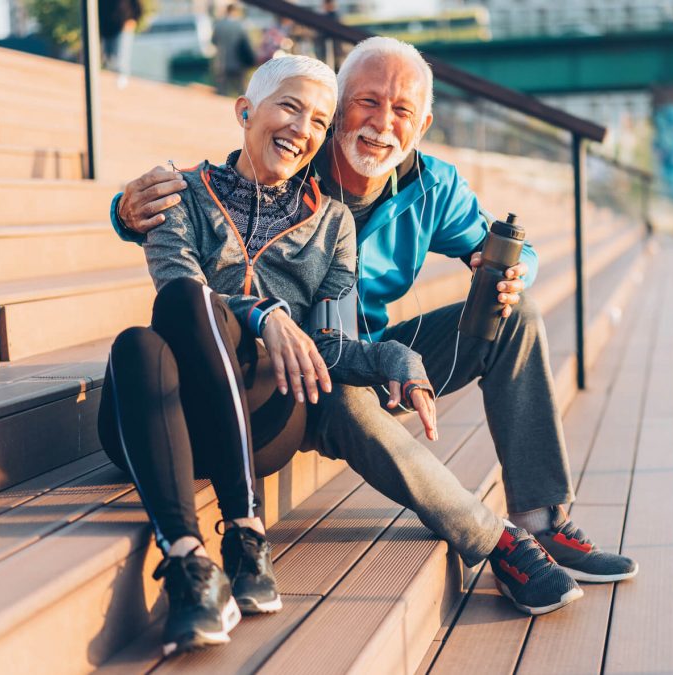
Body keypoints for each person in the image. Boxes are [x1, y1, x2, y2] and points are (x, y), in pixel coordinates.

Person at [109, 37, 638, 617]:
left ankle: (542, 519)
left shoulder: (433, 186)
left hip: (362, 351)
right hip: (299, 373)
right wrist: (124, 211)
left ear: (423, 123)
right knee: (345, 391)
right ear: (337, 106)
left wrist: (514, 275)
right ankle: (498, 545)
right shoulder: (298, 148)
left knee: (518, 315)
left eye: (403, 110)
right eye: (365, 101)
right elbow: (218, 205)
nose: (383, 123)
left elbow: (511, 251)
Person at [98, 55, 434, 656]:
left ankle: (229, 542)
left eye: (318, 121)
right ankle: (199, 558)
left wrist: (394, 361)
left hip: (266, 420)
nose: (302, 129)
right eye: (289, 107)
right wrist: (262, 312)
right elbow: (177, 290)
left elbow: (329, 346)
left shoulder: (333, 224)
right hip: (166, 419)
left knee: (165, 321)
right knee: (139, 342)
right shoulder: (179, 192)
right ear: (245, 112)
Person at [211, 3, 256, 97]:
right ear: (235, 11)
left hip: (222, 63)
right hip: (239, 62)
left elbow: (213, 41)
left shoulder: (219, 25)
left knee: (223, 92)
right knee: (241, 91)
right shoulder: (241, 25)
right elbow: (246, 44)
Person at [99, 0, 143, 87]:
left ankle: (121, 78)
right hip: (108, 29)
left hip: (123, 27)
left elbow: (138, 9)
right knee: (109, 57)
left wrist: (132, 21)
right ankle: (112, 78)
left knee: (121, 54)